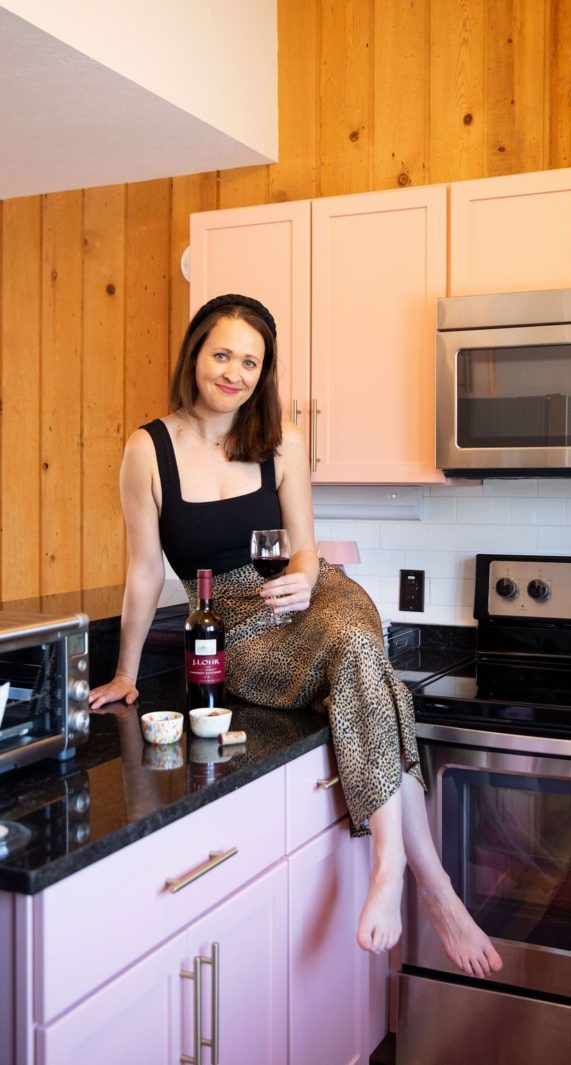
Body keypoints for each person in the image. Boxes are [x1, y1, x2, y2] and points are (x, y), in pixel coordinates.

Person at [88, 293, 503, 979]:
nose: (235, 371)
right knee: (370, 668)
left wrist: (307, 581)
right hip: (236, 623)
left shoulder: (281, 438)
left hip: (315, 595)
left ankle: (391, 862)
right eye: (222, 353)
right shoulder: (147, 450)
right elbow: (140, 571)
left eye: (251, 361)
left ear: (264, 371)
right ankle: (434, 885)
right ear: (195, 353)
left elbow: (305, 549)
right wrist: (127, 671)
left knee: (354, 641)